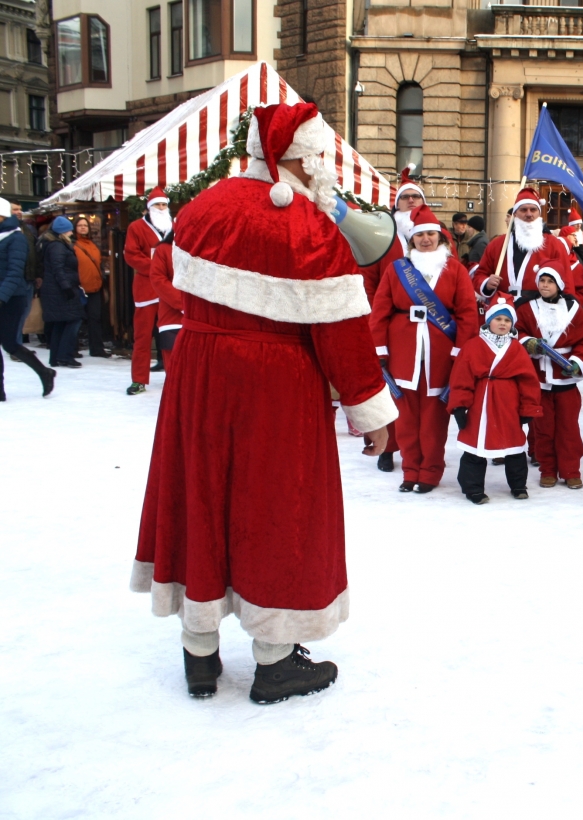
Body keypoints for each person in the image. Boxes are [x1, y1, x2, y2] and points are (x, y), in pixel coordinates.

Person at [132, 101, 399, 703]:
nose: (326, 169)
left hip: (199, 375)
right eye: (321, 158)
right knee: (278, 508)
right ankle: (275, 661)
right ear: (297, 161)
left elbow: (164, 273)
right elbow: (343, 334)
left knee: (201, 494)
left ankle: (199, 655)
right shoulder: (308, 229)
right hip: (277, 387)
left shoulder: (202, 208)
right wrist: (371, 411)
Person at [370, 204, 480, 493]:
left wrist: (460, 352)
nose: (426, 240)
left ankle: (430, 472)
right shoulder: (397, 270)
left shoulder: (455, 270)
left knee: (433, 421)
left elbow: (468, 314)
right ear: (412, 240)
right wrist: (380, 351)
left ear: (441, 238)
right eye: (420, 236)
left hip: (441, 356)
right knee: (405, 419)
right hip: (403, 354)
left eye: (431, 234)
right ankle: (410, 470)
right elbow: (380, 311)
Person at [448, 297, 542, 503]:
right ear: (488, 321)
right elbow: (461, 378)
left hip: (509, 404)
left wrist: (528, 408)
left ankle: (518, 485)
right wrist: (459, 406)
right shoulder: (473, 346)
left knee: (514, 447)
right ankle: (472, 488)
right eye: (498, 318)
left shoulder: (516, 348)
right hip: (479, 404)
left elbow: (528, 381)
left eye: (507, 321)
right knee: (475, 448)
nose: (502, 323)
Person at [516, 265, 583, 489]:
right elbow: (517, 331)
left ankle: (571, 470)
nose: (544, 285)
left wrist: (578, 362)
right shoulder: (526, 308)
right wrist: (527, 342)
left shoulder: (573, 309)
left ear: (559, 285)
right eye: (542, 280)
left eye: (550, 281)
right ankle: (548, 469)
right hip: (539, 378)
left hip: (565, 379)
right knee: (543, 428)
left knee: (568, 428)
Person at [473, 187, 570, 299]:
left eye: (533, 210)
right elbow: (479, 275)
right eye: (523, 210)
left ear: (539, 213)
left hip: (539, 311)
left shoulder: (554, 245)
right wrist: (486, 283)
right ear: (515, 214)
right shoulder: (497, 244)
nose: (529, 214)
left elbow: (566, 280)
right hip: (505, 311)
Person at [0, 196, 53, 399]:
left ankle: (44, 372)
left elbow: (15, 272)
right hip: (4, 294)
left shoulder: (17, 238)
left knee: (10, 344)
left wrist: (2, 297)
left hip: (14, 297)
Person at [123, 187, 172, 395]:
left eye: (164, 204)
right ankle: (139, 379)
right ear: (149, 208)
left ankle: (173, 376)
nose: (161, 208)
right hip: (146, 290)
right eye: (157, 205)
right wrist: (157, 268)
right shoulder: (136, 228)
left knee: (170, 336)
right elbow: (131, 255)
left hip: (169, 291)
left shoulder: (174, 226)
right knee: (142, 337)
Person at [40, 216, 84, 369]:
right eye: (69, 229)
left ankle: (56, 357)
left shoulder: (55, 244)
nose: (72, 232)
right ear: (62, 231)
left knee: (60, 323)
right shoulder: (58, 246)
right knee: (74, 320)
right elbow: (58, 269)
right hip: (60, 290)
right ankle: (65, 356)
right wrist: (66, 287)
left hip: (57, 289)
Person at [147, 226, 183, 373]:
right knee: (174, 371)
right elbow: (158, 279)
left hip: (200, 318)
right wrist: (183, 304)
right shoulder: (163, 250)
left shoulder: (204, 249)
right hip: (171, 317)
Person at [73, 216, 108, 358]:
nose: (83, 228)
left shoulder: (93, 245)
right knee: (75, 319)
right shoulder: (72, 245)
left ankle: (97, 348)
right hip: (79, 288)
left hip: (95, 287)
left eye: (85, 225)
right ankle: (72, 348)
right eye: (80, 225)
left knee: (95, 318)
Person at [10, 202, 39, 350]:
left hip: (28, 278)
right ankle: (15, 347)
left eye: (20, 209)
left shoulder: (26, 229)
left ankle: (17, 345)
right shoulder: (7, 231)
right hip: (15, 279)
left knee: (24, 314)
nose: (19, 212)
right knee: (16, 315)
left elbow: (32, 252)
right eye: (15, 209)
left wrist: (37, 275)